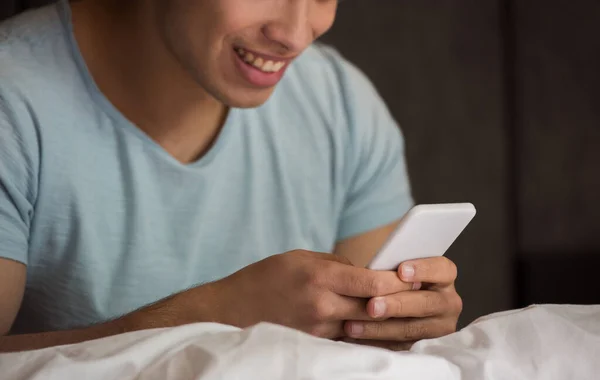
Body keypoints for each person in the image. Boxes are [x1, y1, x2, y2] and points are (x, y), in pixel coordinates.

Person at [0, 0, 462, 353]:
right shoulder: (14, 104)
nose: (295, 35)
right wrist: (209, 318)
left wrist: (401, 324)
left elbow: (361, 358)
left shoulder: (343, 108)